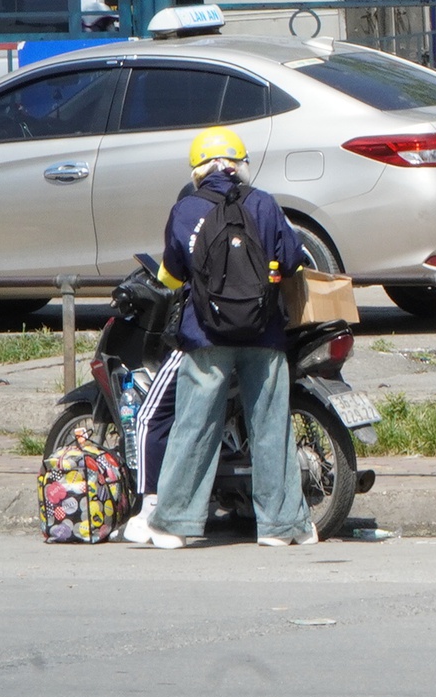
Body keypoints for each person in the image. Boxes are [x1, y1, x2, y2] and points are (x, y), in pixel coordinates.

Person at [130, 127, 312, 549]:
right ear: (240, 165)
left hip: (205, 334)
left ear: (198, 170)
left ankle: (174, 524)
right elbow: (292, 263)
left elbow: (171, 275)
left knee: (194, 425)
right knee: (269, 426)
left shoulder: (186, 209)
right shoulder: (264, 203)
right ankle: (281, 526)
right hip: (263, 333)